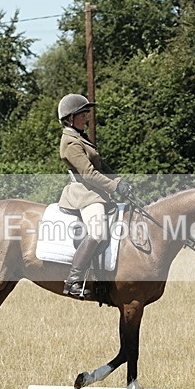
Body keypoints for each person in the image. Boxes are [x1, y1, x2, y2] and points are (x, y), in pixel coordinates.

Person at [57, 93, 132, 298]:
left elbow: (100, 165)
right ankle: (73, 280)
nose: (86, 117)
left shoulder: (80, 136)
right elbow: (88, 174)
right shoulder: (70, 142)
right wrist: (114, 187)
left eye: (86, 113)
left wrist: (119, 180)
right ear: (70, 118)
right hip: (84, 193)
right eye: (82, 114)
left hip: (96, 191)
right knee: (97, 231)